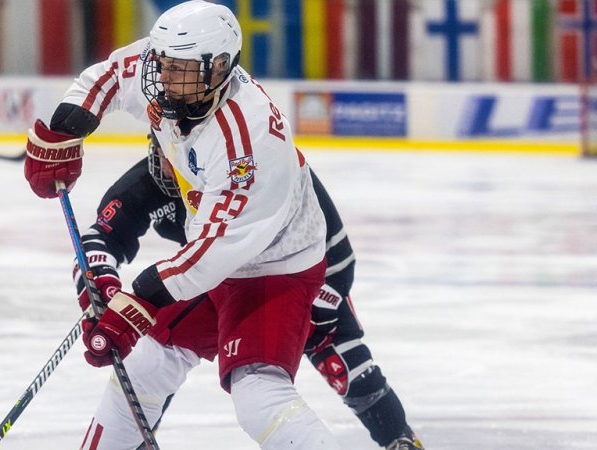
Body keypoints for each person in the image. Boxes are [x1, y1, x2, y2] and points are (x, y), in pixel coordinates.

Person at [24, 1, 339, 447]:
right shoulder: (172, 74)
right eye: (163, 62)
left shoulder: (247, 142)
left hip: (274, 266)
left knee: (258, 394)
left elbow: (214, 252)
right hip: (211, 263)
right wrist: (64, 131)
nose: (164, 76)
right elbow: (110, 76)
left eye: (179, 68)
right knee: (142, 369)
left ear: (219, 68)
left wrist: (135, 305)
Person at [70, 134, 424, 450]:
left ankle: (400, 439)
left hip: (291, 273)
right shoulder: (148, 182)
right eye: (161, 152)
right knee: (155, 355)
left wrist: (324, 300)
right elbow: (100, 237)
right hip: (212, 277)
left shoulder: (262, 167)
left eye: (179, 154)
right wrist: (100, 286)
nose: (168, 164)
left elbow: (337, 253)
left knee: (338, 357)